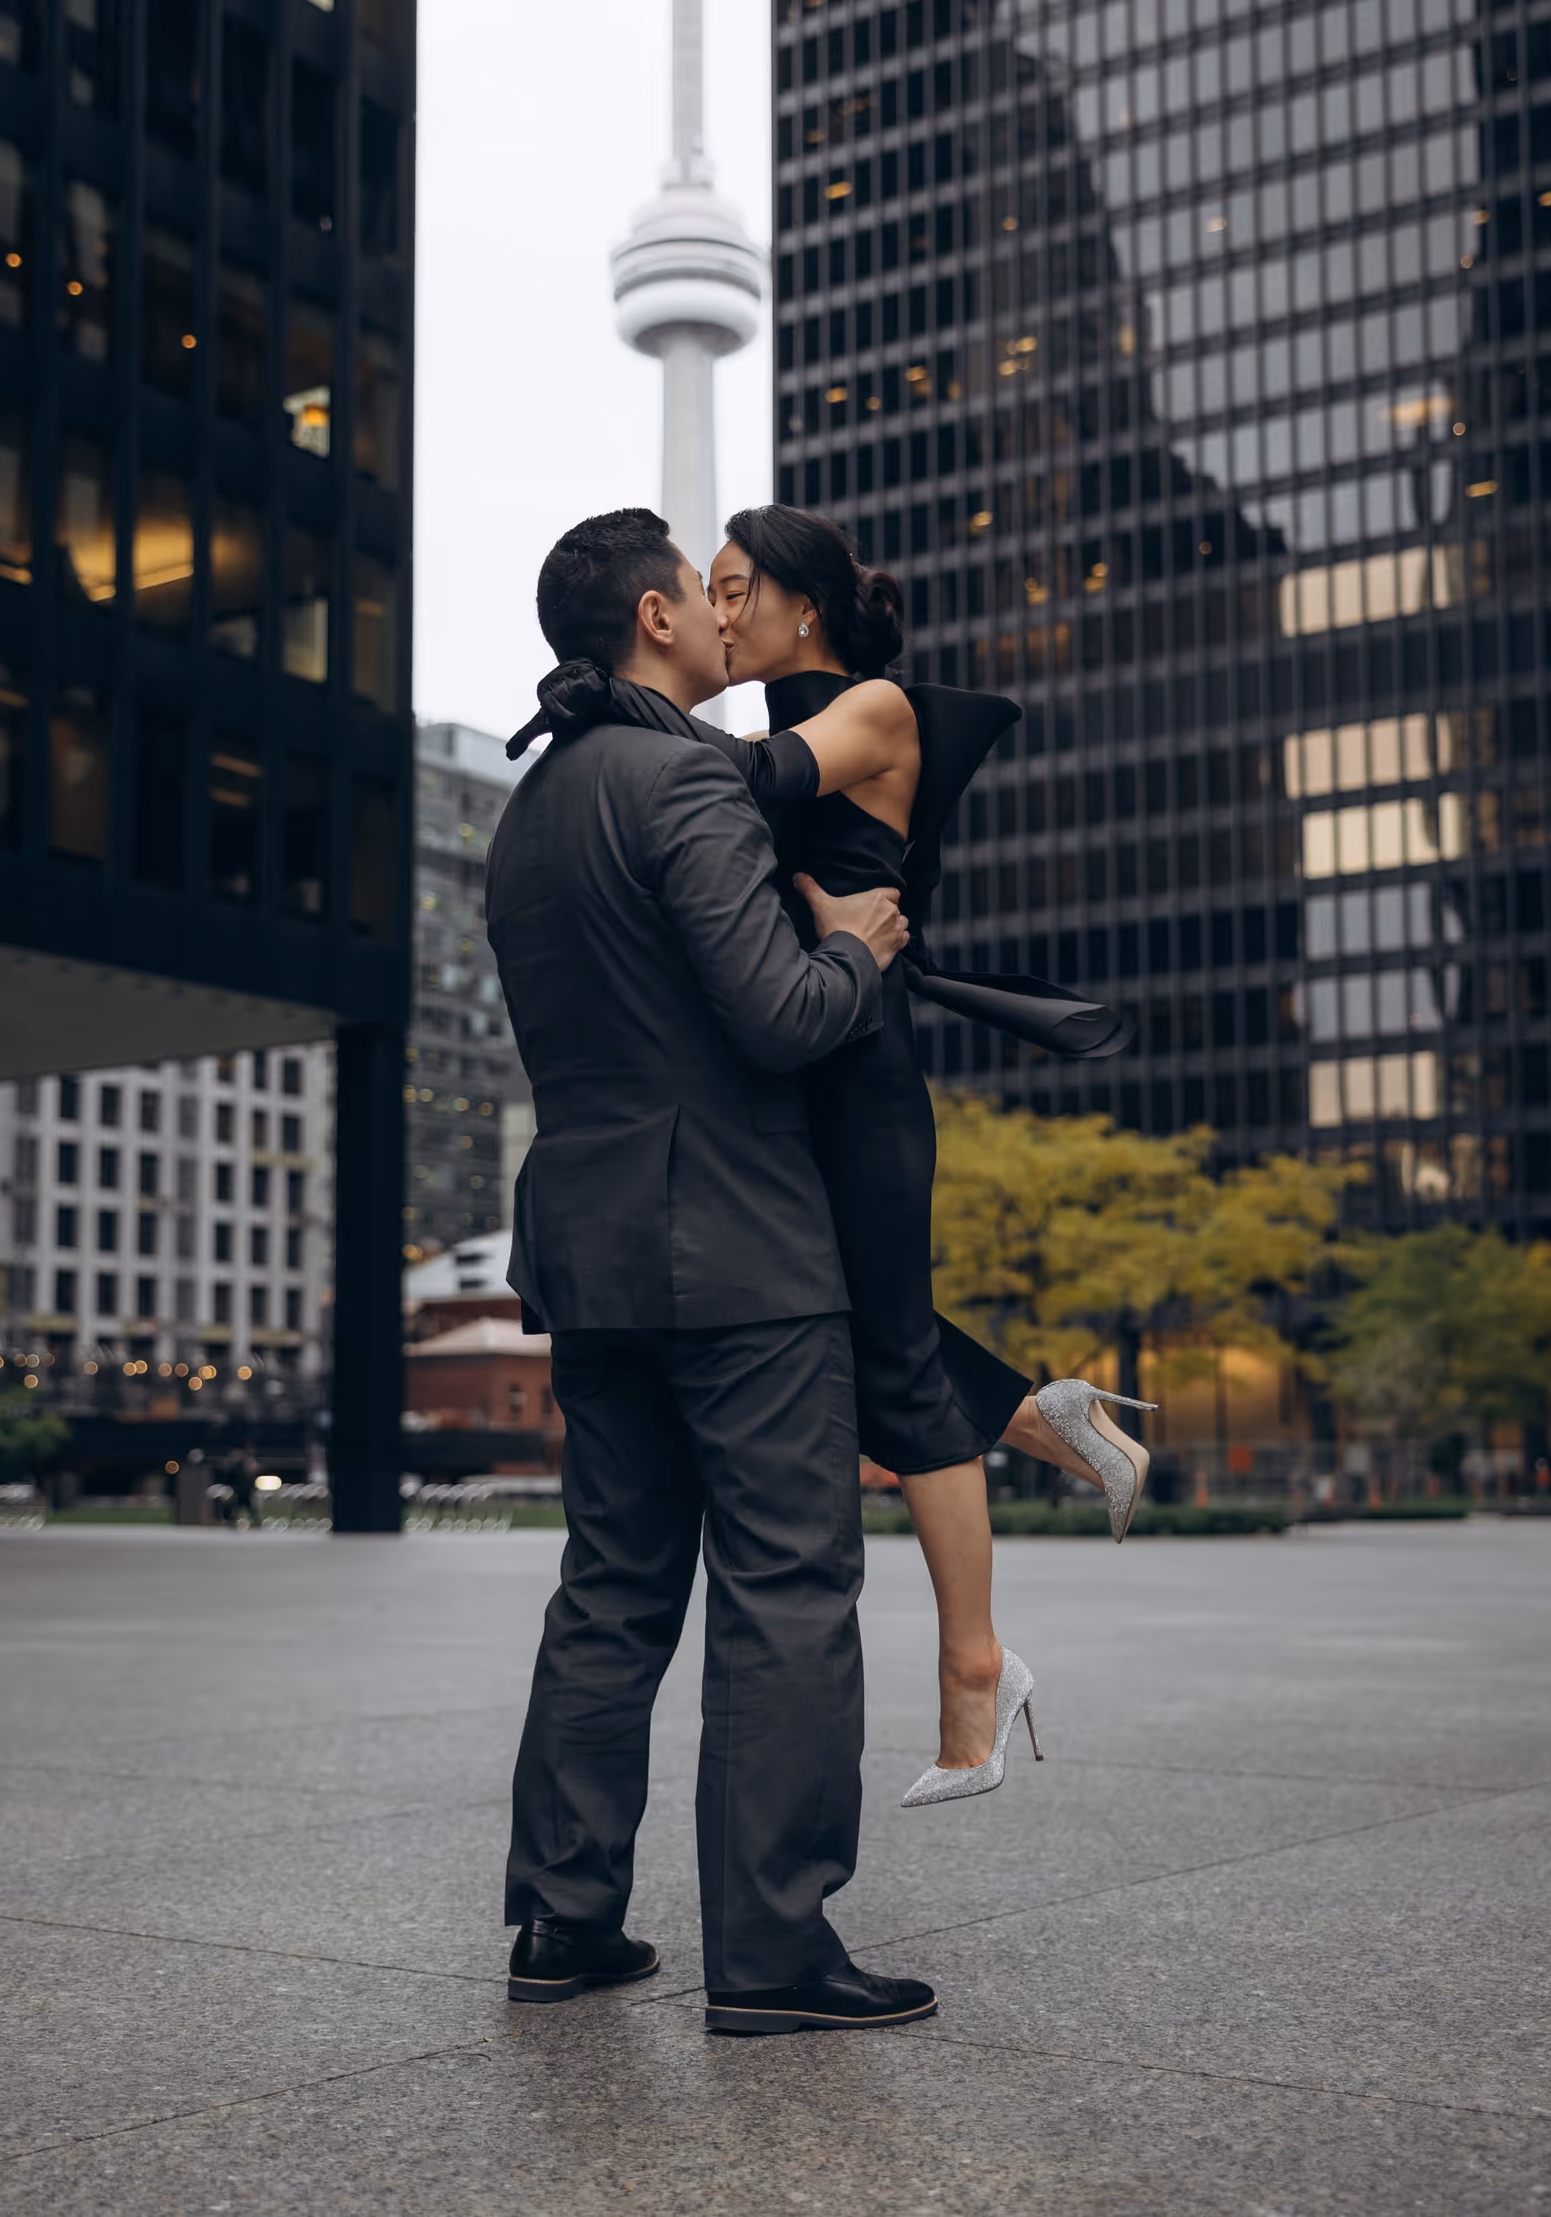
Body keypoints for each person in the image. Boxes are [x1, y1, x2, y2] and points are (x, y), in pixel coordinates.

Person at [491, 508, 937, 2037]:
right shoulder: (682, 774)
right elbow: (775, 1016)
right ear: (660, 622)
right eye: (699, 588)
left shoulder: (531, 808)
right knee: (788, 1588)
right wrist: (860, 948)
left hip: (590, 1251)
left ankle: (563, 1913)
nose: (715, 606)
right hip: (739, 1250)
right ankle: (772, 1951)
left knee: (612, 1587)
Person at [705, 503, 1155, 1806]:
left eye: (738, 591)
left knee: (890, 1357)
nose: (722, 615)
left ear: (805, 606)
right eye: (713, 594)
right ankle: (1044, 1416)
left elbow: (747, 797)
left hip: (861, 1073)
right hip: (799, 1059)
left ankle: (976, 1672)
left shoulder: (874, 709)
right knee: (844, 1324)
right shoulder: (783, 719)